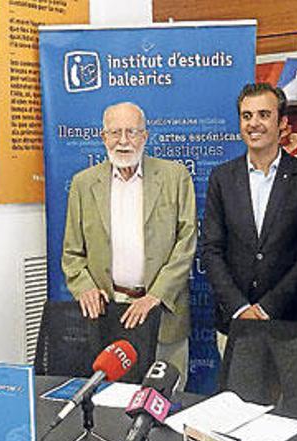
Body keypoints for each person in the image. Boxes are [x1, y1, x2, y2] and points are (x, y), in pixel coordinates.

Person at [201, 83, 297, 414]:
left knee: (293, 420)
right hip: (235, 325)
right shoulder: (221, 178)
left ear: (282, 123)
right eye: (247, 116)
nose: (254, 123)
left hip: (291, 326)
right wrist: (242, 309)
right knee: (239, 418)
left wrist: (267, 308)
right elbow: (212, 250)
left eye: (263, 115)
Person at [61, 101, 197, 380]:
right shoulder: (83, 184)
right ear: (103, 137)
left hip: (163, 313)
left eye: (132, 132)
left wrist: (155, 296)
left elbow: (186, 243)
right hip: (107, 313)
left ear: (145, 136)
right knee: (112, 399)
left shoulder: (175, 177)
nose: (123, 141)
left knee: (165, 401)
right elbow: (72, 253)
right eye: (115, 133)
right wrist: (84, 287)